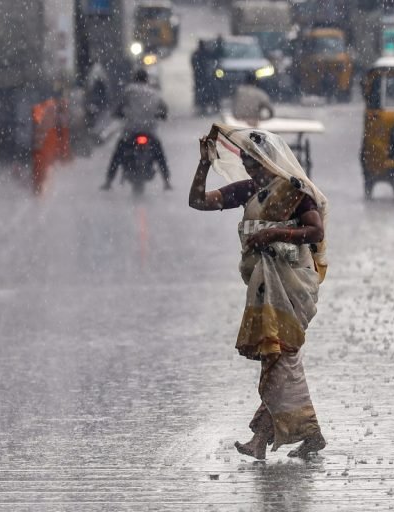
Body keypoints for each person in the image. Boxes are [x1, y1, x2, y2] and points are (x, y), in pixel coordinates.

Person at [189, 124, 329, 460]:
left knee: (278, 358)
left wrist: (275, 234)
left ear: (270, 161)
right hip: (264, 287)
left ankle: (263, 439)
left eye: (256, 163)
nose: (251, 169)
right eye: (247, 163)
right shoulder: (249, 190)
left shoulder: (294, 191)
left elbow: (314, 230)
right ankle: (309, 434)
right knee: (279, 360)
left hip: (292, 285)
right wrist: (204, 164)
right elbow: (197, 201)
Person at [101, 68, 172, 190]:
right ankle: (166, 181)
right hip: (149, 130)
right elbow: (164, 108)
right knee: (159, 152)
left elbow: (119, 107)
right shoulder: (154, 92)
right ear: (146, 79)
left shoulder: (129, 91)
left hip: (131, 130)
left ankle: (108, 181)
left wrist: (117, 113)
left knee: (118, 153)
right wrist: (162, 115)